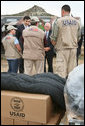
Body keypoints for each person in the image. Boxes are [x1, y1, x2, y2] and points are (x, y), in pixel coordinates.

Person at [50, 5, 81, 78]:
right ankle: (70, 88)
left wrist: (56, 45)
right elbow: (78, 37)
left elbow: (53, 38)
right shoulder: (77, 22)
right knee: (72, 72)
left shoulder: (58, 21)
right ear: (69, 11)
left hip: (62, 49)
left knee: (61, 71)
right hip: (73, 49)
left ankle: (61, 88)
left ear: (62, 11)